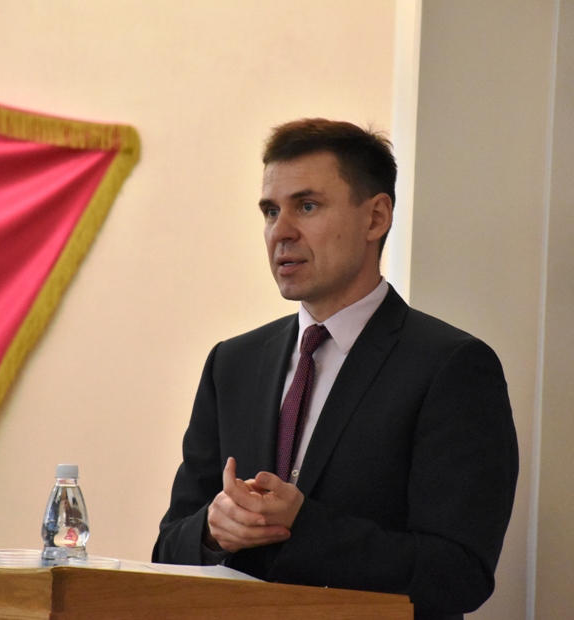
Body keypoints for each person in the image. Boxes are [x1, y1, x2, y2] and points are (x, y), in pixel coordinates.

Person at [152, 118, 519, 620]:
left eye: (307, 206)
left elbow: (458, 574)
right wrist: (212, 532)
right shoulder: (232, 364)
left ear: (375, 218)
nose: (281, 232)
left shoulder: (450, 367)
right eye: (270, 211)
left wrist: (302, 525)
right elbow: (168, 549)